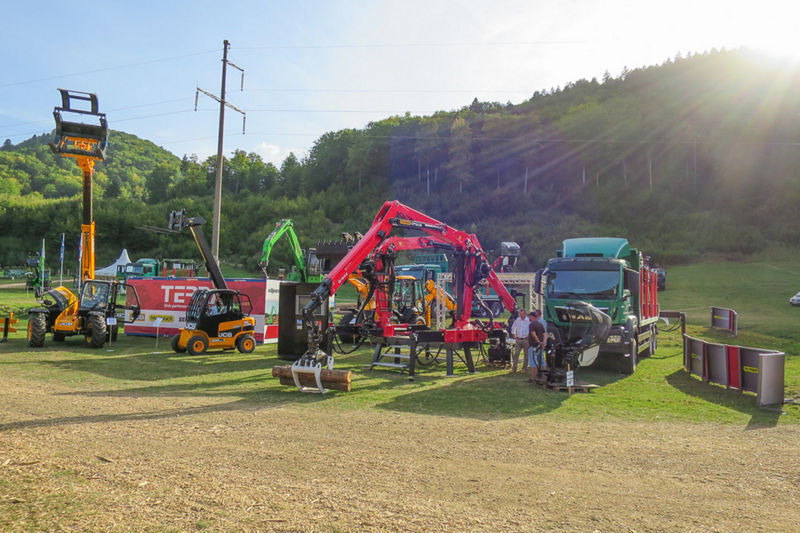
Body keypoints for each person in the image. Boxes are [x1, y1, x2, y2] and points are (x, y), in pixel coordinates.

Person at [527, 310, 546, 382]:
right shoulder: (540, 324)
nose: (529, 318)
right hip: (540, 346)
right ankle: (543, 376)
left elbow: (533, 334)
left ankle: (533, 377)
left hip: (534, 345)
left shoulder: (531, 324)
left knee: (533, 360)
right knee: (541, 360)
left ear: (532, 317)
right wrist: (543, 342)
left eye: (530, 316)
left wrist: (538, 342)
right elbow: (544, 335)